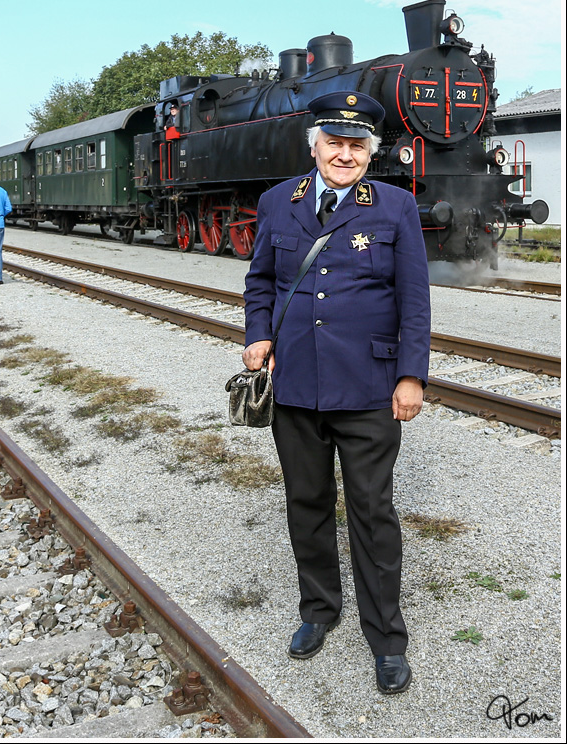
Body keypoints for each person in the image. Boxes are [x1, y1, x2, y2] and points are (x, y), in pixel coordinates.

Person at [242, 91, 431, 695]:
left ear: (371, 152)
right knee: (307, 502)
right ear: (315, 145)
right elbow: (261, 281)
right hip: (294, 383)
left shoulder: (396, 206)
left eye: (357, 145)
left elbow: (414, 300)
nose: (345, 154)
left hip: (370, 387)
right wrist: (257, 336)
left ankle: (386, 637)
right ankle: (318, 611)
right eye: (335, 143)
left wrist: (411, 375)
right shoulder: (279, 201)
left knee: (373, 514)